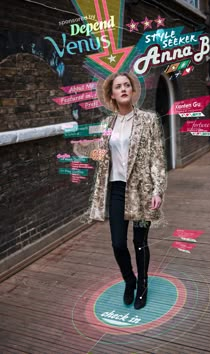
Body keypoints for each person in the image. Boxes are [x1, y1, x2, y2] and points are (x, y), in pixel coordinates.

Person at [73, 72, 167, 310]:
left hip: (142, 189)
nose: (124, 89)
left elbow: (157, 157)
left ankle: (143, 285)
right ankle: (130, 280)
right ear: (112, 94)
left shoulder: (148, 120)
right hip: (117, 189)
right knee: (117, 243)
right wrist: (84, 149)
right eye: (119, 86)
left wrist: (157, 190)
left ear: (132, 91)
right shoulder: (107, 125)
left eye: (127, 85)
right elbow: (102, 155)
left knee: (139, 241)